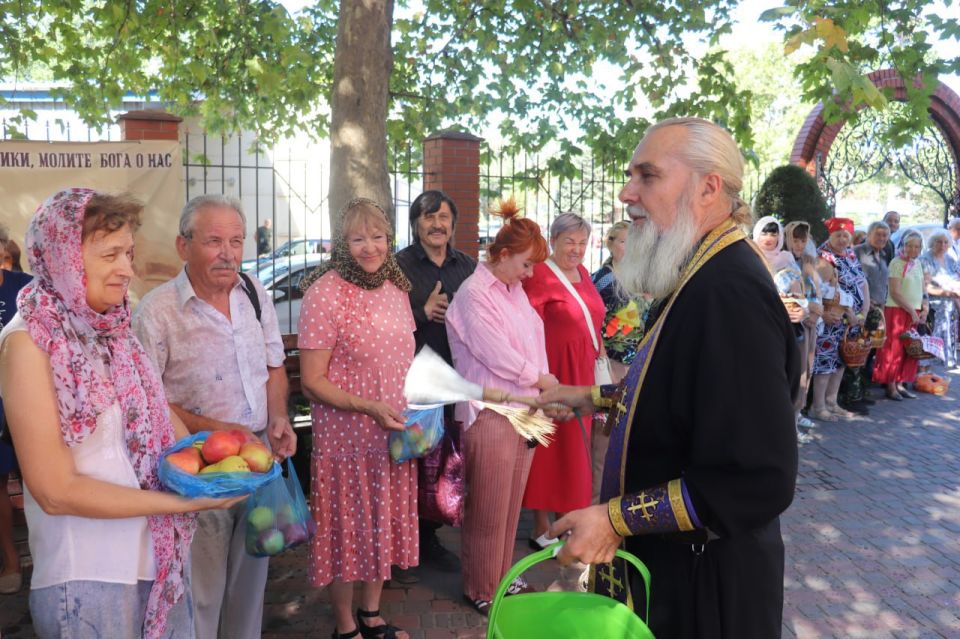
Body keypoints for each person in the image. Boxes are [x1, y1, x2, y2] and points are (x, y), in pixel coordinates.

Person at [538, 117, 799, 638]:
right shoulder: (701, 269)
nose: (626, 193)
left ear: (708, 187)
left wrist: (614, 519)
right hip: (681, 574)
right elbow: (681, 392)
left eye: (648, 175)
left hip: (705, 591)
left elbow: (755, 477)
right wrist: (590, 396)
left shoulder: (727, 291)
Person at [0, 188, 242, 638]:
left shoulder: (115, 330)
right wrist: (184, 503)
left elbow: (163, 426)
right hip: (88, 582)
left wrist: (223, 461)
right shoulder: (28, 343)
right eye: (110, 254)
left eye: (128, 253)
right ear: (63, 258)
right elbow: (55, 491)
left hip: (159, 564)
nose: (127, 269)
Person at [133, 194, 296, 639]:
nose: (228, 253)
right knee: (201, 592)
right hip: (198, 468)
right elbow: (146, 401)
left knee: (250, 585)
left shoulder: (254, 293)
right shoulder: (157, 312)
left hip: (257, 460)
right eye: (214, 241)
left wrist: (279, 418)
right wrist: (217, 429)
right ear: (183, 246)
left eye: (236, 241)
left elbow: (274, 367)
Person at [297, 198, 417, 639]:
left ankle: (371, 613)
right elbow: (311, 382)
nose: (371, 248)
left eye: (378, 237)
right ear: (341, 244)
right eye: (358, 239)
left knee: (381, 523)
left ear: (390, 239)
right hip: (347, 440)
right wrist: (368, 407)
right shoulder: (324, 293)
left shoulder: (396, 289)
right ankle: (345, 625)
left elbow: (402, 360)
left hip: (393, 437)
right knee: (346, 531)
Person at [445, 198, 554, 615]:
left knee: (509, 506)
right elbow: (495, 353)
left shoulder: (514, 291)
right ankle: (482, 587)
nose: (530, 273)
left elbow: (534, 342)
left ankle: (502, 576)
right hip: (489, 412)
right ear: (503, 254)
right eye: (526, 264)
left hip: (523, 410)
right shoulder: (474, 294)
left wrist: (541, 390)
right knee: (488, 508)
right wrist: (540, 378)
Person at [395, 191, 476, 573]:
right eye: (428, 217)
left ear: (453, 224)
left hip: (454, 379)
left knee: (442, 464)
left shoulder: (468, 266)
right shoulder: (398, 267)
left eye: (443, 217)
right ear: (416, 224)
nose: (437, 224)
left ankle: (427, 539)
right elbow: (383, 322)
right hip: (413, 381)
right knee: (410, 461)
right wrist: (422, 311)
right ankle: (400, 543)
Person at [522, 212, 606, 548]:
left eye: (583, 243)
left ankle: (565, 519)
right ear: (553, 240)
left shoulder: (584, 273)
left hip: (583, 371)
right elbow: (527, 327)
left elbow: (593, 321)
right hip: (555, 372)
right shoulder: (539, 274)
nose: (577, 249)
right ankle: (540, 525)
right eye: (569, 241)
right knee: (551, 447)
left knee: (576, 449)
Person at [753, 217, 810, 442]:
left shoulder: (786, 259)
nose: (769, 238)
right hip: (757, 328)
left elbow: (801, 295)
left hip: (785, 329)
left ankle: (786, 429)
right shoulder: (749, 257)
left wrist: (803, 310)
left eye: (774, 233)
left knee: (785, 380)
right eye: (765, 233)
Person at [810, 218, 869, 422]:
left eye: (846, 235)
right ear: (830, 235)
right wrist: (848, 313)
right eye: (838, 235)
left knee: (841, 361)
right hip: (833, 319)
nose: (843, 239)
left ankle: (832, 402)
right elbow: (825, 291)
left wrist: (864, 311)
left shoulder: (850, 254)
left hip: (852, 321)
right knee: (825, 363)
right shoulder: (823, 257)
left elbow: (863, 283)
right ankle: (818, 407)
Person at [0, 226, 32, 595]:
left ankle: (41, 554)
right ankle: (11, 560)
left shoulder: (26, 287)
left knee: (34, 478)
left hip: (27, 398)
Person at [592, 221, 651, 382]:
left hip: (642, 357)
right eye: (624, 242)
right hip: (612, 359)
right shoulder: (601, 280)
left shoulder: (645, 277)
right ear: (611, 244)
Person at [873, 231, 928, 400]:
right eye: (909, 245)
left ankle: (901, 383)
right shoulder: (896, 263)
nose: (912, 249)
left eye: (916, 246)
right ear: (903, 246)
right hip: (897, 310)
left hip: (914, 312)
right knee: (893, 348)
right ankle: (890, 386)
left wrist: (925, 308)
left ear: (920, 248)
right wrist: (911, 310)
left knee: (909, 349)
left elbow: (923, 289)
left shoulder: (918, 263)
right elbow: (895, 292)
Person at [783, 221, 823, 435]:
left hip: (810, 324)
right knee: (795, 373)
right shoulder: (784, 262)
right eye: (795, 240)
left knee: (806, 370)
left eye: (803, 240)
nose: (799, 245)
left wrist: (816, 312)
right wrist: (810, 309)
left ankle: (797, 413)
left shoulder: (807, 262)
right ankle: (789, 421)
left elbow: (817, 292)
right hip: (794, 326)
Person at [854, 221, 891, 394]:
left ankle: (861, 389)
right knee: (856, 349)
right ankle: (851, 392)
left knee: (869, 350)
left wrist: (881, 308)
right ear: (869, 235)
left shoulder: (883, 254)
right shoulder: (857, 252)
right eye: (878, 234)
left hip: (877, 310)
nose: (881, 238)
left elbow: (883, 285)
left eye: (885, 235)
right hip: (861, 309)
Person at [919, 230, 960, 369]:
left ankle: (947, 356)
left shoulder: (950, 258)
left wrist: (955, 290)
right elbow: (925, 287)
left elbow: (957, 278)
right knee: (945, 311)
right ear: (932, 242)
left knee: (951, 311)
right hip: (932, 299)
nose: (942, 245)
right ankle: (936, 357)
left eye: (945, 242)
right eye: (939, 242)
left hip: (951, 297)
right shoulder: (925, 259)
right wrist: (947, 292)